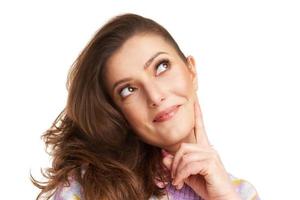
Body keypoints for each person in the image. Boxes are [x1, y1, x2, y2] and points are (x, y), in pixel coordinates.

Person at [32, 13, 260, 200]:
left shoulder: (240, 193)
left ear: (191, 69)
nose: (155, 96)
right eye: (128, 90)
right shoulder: (86, 187)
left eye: (161, 67)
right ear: (118, 112)